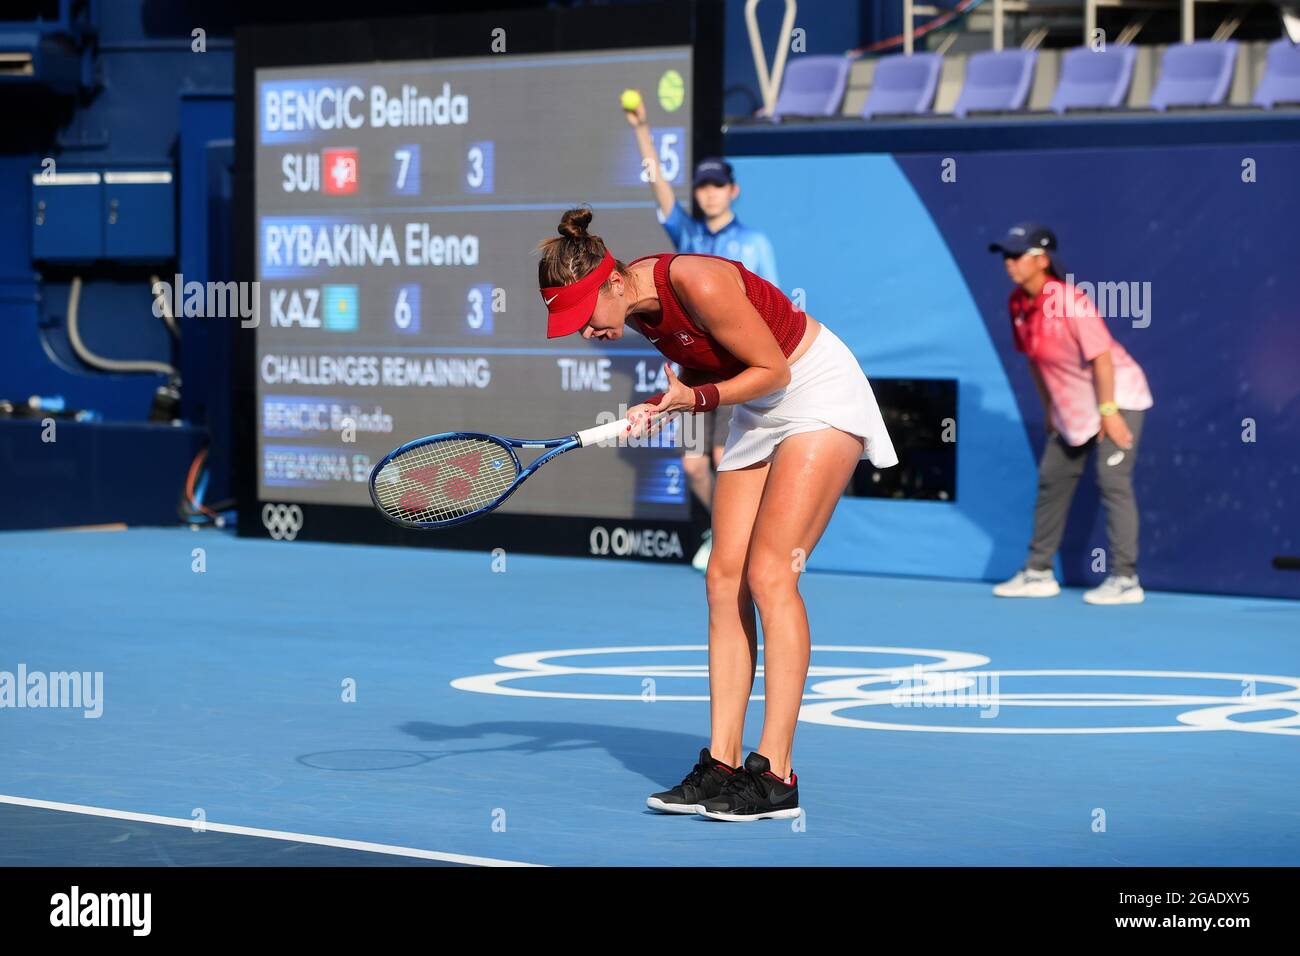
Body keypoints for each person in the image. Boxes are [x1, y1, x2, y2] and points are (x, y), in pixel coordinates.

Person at [537, 206, 896, 821]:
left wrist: (694, 396)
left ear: (614, 281)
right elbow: (718, 370)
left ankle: (777, 774)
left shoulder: (695, 280)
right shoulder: (640, 309)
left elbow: (774, 368)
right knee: (722, 576)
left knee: (771, 574)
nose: (583, 330)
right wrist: (670, 403)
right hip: (760, 410)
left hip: (817, 390)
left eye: (584, 314)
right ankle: (722, 763)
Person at [625, 94, 780, 571]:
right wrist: (641, 130)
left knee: (722, 454)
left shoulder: (754, 243)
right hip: (693, 372)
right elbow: (660, 191)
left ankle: (753, 542)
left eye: (717, 185)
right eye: (703, 187)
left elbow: (771, 306)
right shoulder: (689, 239)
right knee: (695, 464)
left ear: (733, 191)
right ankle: (724, 532)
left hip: (737, 370)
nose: (709, 193)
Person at [989, 223, 1154, 605]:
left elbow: (1102, 357)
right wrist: (1050, 409)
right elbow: (1034, 361)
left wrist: (1109, 412)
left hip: (1118, 396)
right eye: (1006, 256)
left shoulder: (1069, 300)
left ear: (1042, 260)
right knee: (1052, 480)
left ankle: (1126, 579)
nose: (1009, 263)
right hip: (1071, 410)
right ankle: (1038, 572)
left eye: (1017, 256)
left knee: (1112, 479)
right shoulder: (1018, 304)